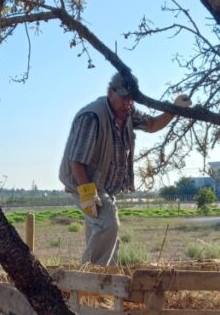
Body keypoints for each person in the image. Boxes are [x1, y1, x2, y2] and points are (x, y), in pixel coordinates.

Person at [59, 72, 192, 265]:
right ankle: (90, 283)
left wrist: (174, 110)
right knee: (108, 224)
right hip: (84, 182)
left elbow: (153, 125)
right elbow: (76, 161)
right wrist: (88, 193)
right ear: (110, 92)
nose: (127, 103)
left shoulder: (128, 113)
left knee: (105, 233)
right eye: (123, 97)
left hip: (105, 187)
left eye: (131, 99)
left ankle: (102, 285)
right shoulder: (92, 117)